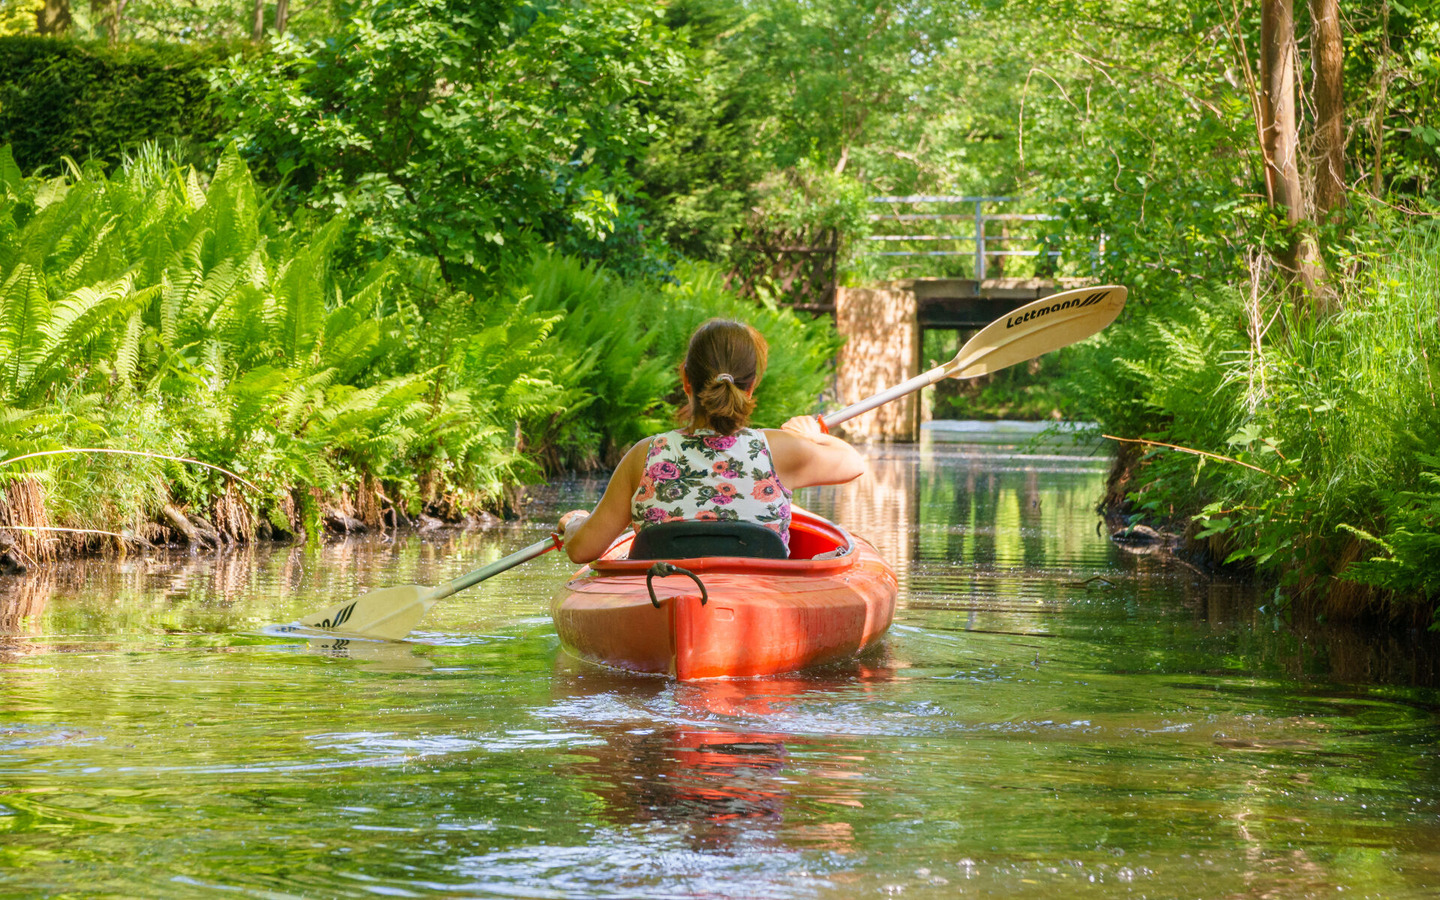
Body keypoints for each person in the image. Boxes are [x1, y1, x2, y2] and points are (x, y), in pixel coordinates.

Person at [558, 318, 865, 564]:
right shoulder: (780, 449)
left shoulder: (645, 455)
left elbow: (582, 550)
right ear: (752, 385)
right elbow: (853, 463)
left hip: (661, 598)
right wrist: (812, 436)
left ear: (686, 380)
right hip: (758, 601)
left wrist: (575, 523)